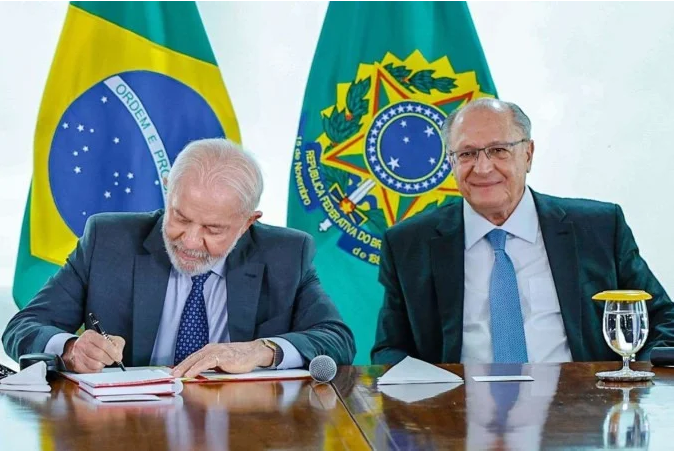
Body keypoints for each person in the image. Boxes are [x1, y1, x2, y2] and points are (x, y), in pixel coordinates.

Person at [3, 138, 355, 376]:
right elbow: (22, 328)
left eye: (213, 229)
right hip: (126, 428)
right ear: (168, 188)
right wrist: (70, 349)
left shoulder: (286, 254)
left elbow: (336, 340)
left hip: (241, 428)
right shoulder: (107, 240)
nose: (189, 240)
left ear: (248, 222)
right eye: (181, 218)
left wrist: (261, 351)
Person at [371, 98, 674, 365]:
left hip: (582, 405)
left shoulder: (599, 229)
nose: (483, 167)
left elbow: (665, 320)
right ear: (451, 162)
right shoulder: (408, 244)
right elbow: (390, 350)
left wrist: (632, 383)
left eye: (498, 150)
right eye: (467, 154)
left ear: (528, 154)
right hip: (457, 408)